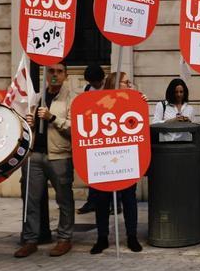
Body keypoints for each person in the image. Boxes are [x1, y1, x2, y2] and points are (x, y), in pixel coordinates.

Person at [14, 62, 75, 258]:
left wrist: (52, 118)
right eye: (51, 71)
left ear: (66, 74)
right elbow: (26, 127)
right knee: (30, 200)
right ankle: (31, 239)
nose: (54, 75)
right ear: (45, 74)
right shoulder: (37, 97)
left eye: (59, 71)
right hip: (34, 155)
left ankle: (64, 238)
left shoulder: (72, 99)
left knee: (64, 198)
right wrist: (29, 124)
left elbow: (76, 129)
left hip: (60, 155)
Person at [90, 71, 144, 254]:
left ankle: (132, 236)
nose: (130, 85)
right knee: (102, 199)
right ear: (115, 84)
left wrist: (140, 104)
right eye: (126, 82)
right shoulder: (99, 103)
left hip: (126, 156)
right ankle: (102, 237)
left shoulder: (134, 102)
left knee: (129, 198)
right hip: (104, 157)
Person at [78, 63, 108, 216]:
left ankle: (114, 203)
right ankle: (92, 201)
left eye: (94, 81)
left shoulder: (109, 86)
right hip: (93, 133)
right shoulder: (88, 90)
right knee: (93, 171)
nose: (92, 84)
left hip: (107, 133)